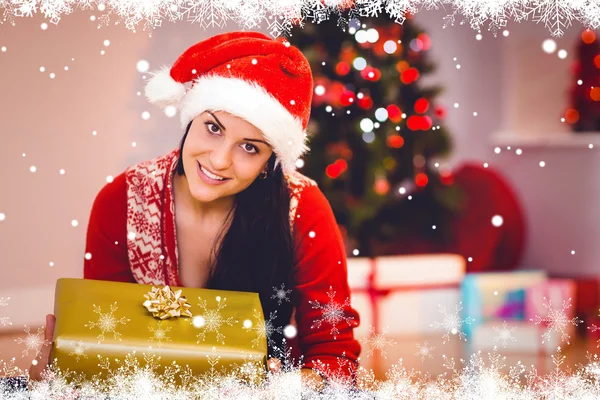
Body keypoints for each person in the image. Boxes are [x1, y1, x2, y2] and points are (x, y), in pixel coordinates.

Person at [28, 31, 361, 391]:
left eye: (249, 147)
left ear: (269, 163)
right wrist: (62, 378)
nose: (219, 160)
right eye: (213, 127)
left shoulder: (304, 210)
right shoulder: (121, 201)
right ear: (191, 120)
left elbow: (335, 359)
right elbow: (106, 346)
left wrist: (280, 391)